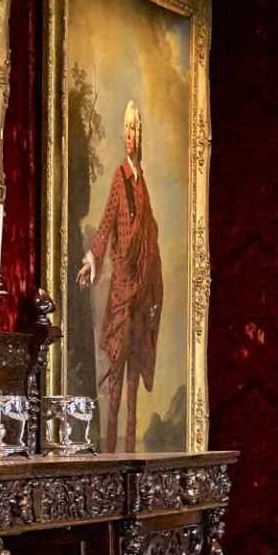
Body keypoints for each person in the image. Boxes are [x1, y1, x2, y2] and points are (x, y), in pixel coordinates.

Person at [79, 98, 165, 450]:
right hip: (121, 290)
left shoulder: (142, 183)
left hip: (141, 293)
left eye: (136, 130)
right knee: (115, 382)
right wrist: (92, 260)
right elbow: (105, 225)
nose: (131, 135)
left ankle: (130, 453)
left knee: (132, 387)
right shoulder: (120, 178)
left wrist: (155, 293)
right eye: (127, 129)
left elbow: (151, 236)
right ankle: (110, 453)